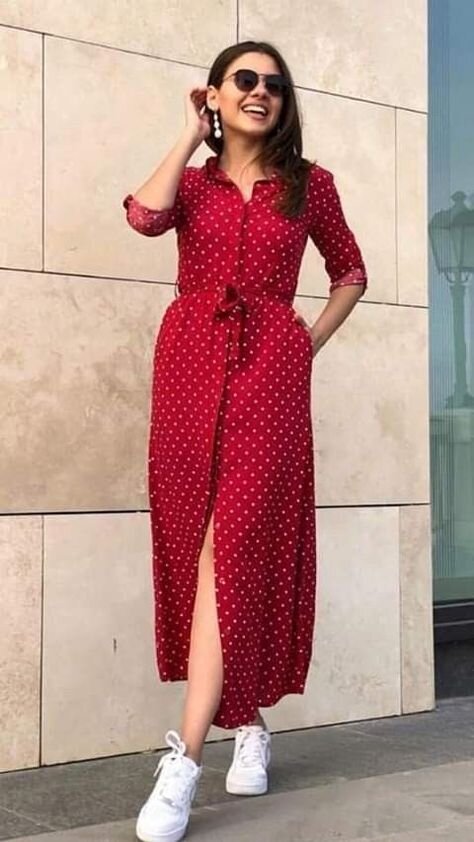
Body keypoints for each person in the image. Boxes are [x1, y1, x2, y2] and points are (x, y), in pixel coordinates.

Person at [123, 39, 367, 842]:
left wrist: (307, 342)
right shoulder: (193, 184)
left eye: (275, 84)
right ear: (217, 95)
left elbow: (351, 272)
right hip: (190, 367)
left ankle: (184, 762)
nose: (262, 91)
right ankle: (250, 722)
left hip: (269, 375)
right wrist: (189, 135)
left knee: (231, 547)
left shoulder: (309, 186)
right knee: (196, 543)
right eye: (245, 80)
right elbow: (144, 216)